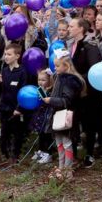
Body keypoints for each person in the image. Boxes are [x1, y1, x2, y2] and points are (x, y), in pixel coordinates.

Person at [68, 17, 102, 168]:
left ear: (80, 29)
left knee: (89, 124)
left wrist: (76, 77)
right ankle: (72, 156)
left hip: (88, 93)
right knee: (73, 123)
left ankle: (89, 154)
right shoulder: (72, 45)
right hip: (73, 92)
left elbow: (94, 70)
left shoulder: (90, 46)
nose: (69, 28)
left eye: (72, 26)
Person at [43, 52, 85, 181]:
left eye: (57, 66)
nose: (55, 68)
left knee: (67, 143)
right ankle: (61, 168)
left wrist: (51, 100)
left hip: (66, 116)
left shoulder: (70, 81)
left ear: (66, 66)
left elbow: (66, 100)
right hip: (57, 115)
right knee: (59, 143)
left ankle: (68, 172)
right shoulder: (59, 78)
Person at [0, 43, 27, 164]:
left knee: (17, 132)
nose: (6, 57)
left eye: (9, 54)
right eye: (5, 54)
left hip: (16, 108)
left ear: (17, 56)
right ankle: (4, 153)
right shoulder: (4, 71)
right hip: (4, 107)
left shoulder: (22, 72)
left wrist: (19, 108)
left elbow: (24, 92)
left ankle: (15, 154)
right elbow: (0, 90)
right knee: (5, 131)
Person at [30, 69, 54, 165]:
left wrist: (42, 92)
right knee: (40, 134)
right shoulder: (38, 89)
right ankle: (41, 150)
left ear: (49, 81)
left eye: (43, 80)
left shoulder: (50, 90)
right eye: (39, 79)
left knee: (47, 135)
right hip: (39, 116)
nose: (40, 82)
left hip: (47, 116)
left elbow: (46, 101)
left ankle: (48, 153)